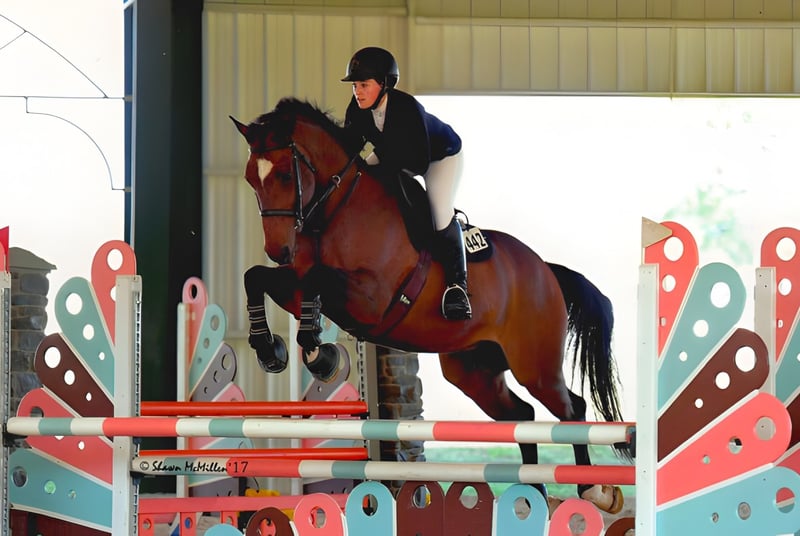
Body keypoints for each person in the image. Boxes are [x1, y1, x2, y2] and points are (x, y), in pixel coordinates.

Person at [341, 46, 472, 321]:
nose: (357, 92)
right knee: (361, 179)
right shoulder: (357, 109)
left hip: (440, 157)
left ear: (384, 84)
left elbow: (417, 164)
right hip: (394, 152)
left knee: (439, 213)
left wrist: (380, 169)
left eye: (364, 85)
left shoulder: (407, 108)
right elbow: (349, 152)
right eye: (355, 86)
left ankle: (457, 288)